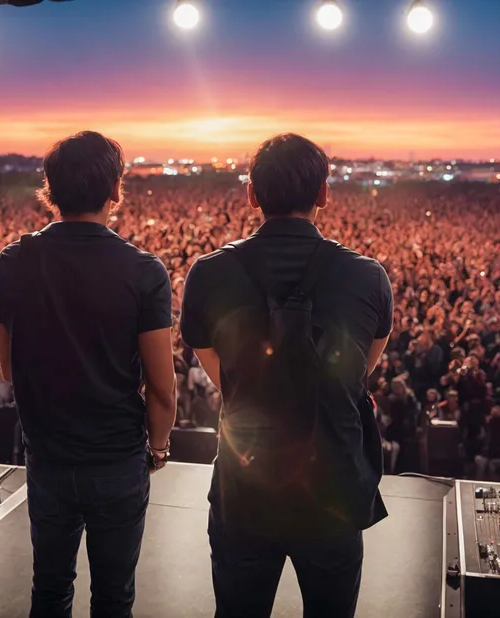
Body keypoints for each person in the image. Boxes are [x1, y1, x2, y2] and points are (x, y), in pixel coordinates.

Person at [181, 133, 390, 618]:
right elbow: (360, 370)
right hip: (334, 489)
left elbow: (220, 374)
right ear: (324, 194)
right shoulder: (367, 276)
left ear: (252, 195)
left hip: (246, 487)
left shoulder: (208, 273)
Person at [0, 131, 177, 618]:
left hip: (48, 457)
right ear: (115, 189)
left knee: (50, 591)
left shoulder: (12, 262)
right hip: (117, 459)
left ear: (50, 189)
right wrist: (157, 448)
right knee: (114, 597)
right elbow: (162, 388)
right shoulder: (143, 271)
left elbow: (8, 368)